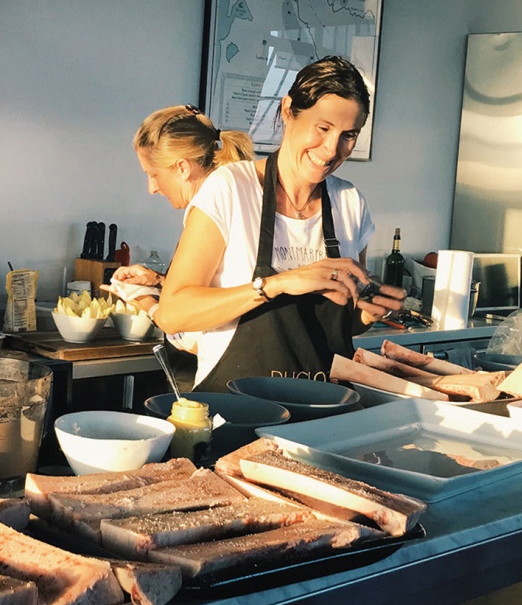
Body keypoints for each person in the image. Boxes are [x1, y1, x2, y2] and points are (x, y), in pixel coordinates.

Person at [151, 55, 405, 392]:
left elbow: (344, 325)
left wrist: (368, 314)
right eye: (323, 128)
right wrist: (276, 284)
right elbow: (172, 312)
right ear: (288, 111)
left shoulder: (349, 203)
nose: (331, 150)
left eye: (349, 135)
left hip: (323, 412)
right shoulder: (231, 188)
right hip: (237, 413)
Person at [111, 104, 254, 300]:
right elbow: (214, 287)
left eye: (153, 175)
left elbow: (184, 310)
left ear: (182, 168)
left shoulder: (210, 210)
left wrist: (144, 302)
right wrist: (159, 280)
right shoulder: (235, 194)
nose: (152, 189)